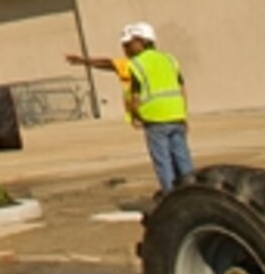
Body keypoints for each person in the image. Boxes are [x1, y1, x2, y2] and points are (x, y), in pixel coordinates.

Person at [69, 22, 192, 189]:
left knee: (163, 162)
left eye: (128, 44)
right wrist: (183, 114)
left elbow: (124, 80)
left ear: (142, 41)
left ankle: (171, 197)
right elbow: (181, 88)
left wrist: (135, 115)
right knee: (183, 159)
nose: (125, 49)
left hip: (155, 120)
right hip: (176, 117)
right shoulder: (170, 59)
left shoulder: (135, 64)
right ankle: (193, 192)